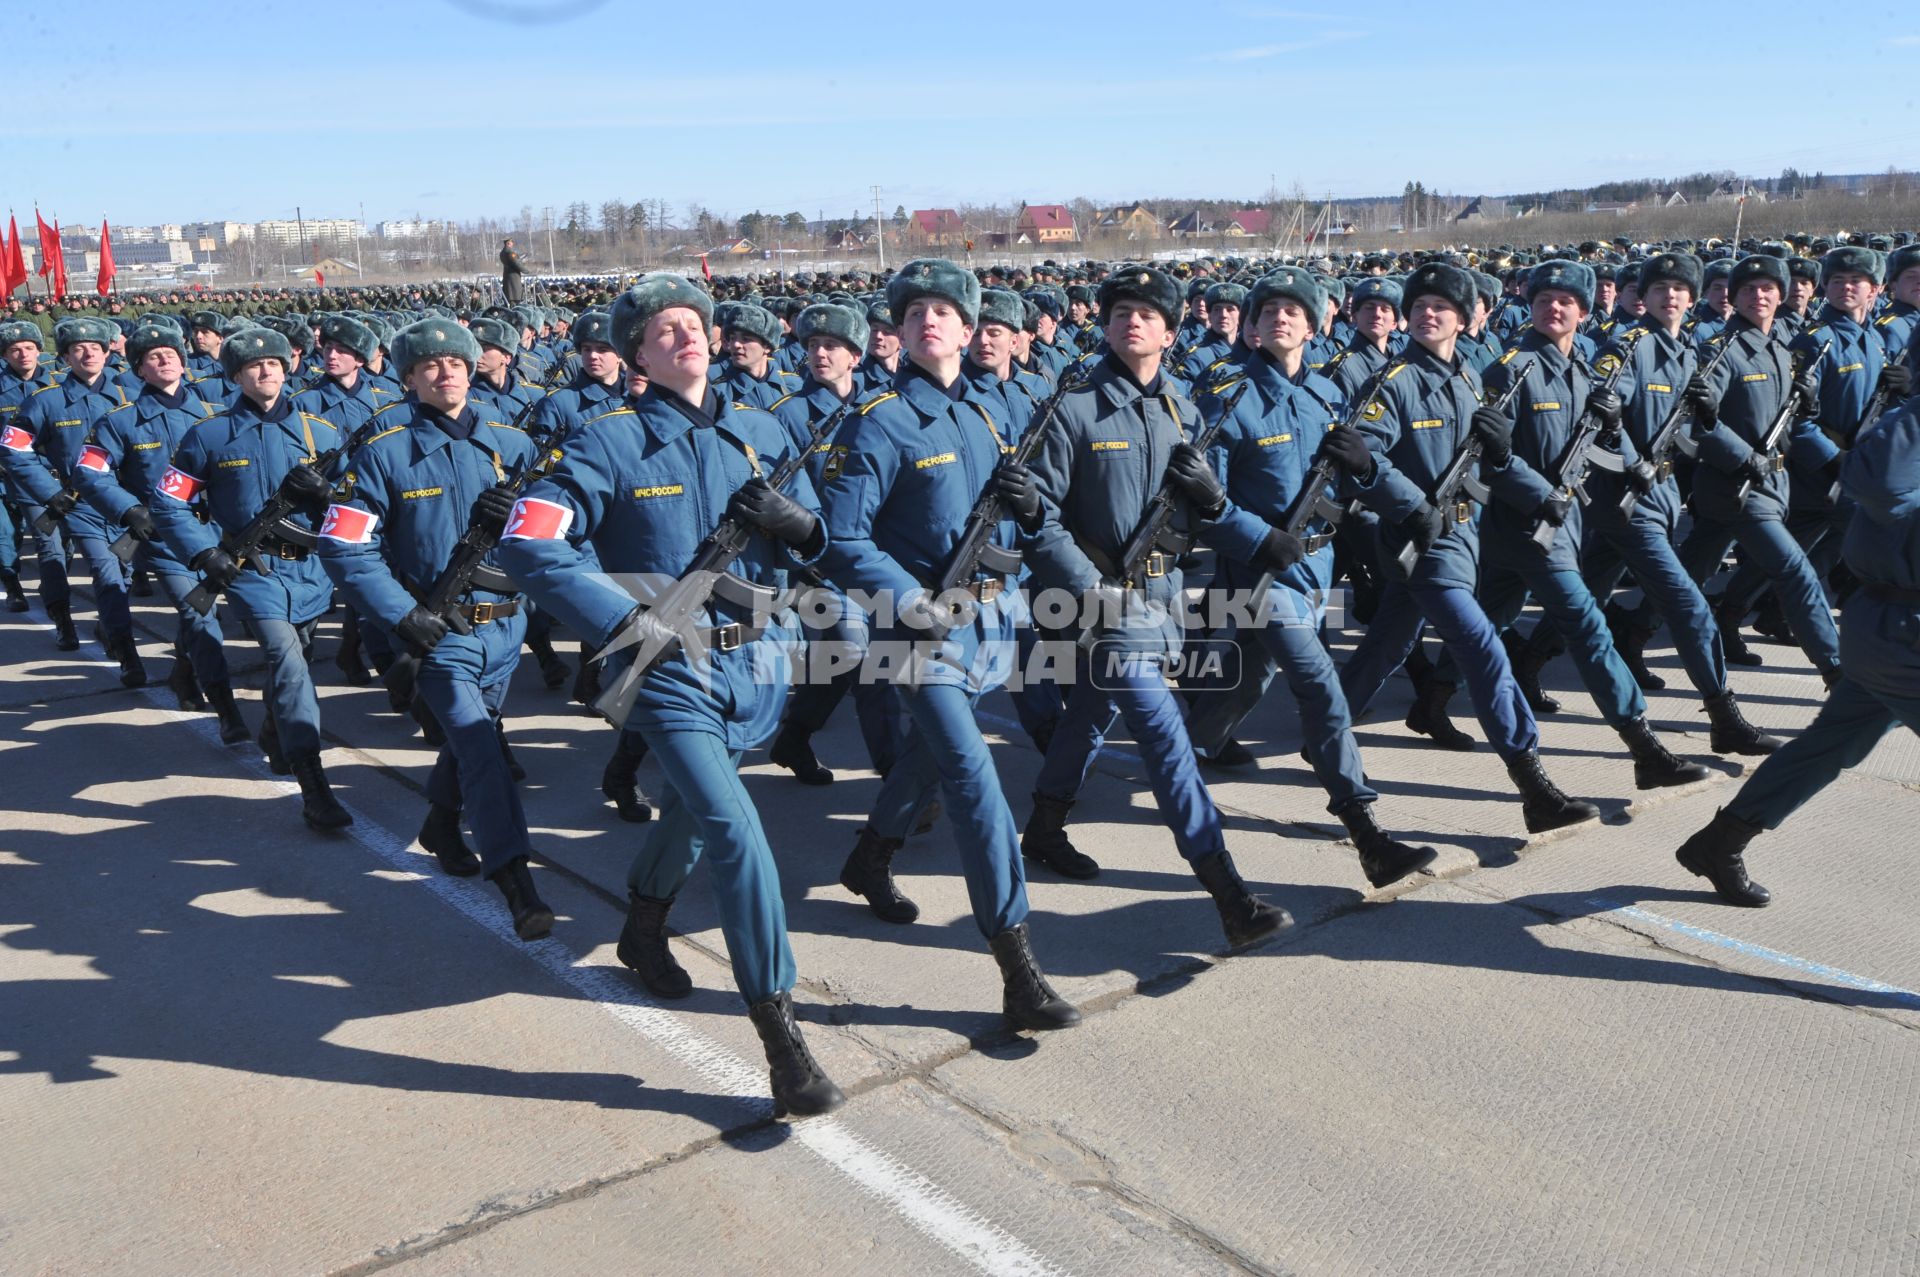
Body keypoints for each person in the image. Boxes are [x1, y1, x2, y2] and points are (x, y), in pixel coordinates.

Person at [498, 274, 845, 1117]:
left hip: (756, 661)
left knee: (695, 812)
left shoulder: (762, 429)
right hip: (668, 670)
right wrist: (630, 623)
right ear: (637, 354)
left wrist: (804, 530)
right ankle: (781, 1033)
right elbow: (528, 541)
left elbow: (820, 537)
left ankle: (641, 922)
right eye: (663, 329)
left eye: (693, 322)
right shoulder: (605, 440)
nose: (684, 335)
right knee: (734, 829)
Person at [817, 257, 1082, 1031]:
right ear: (896, 334)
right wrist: (910, 599)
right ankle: (1018, 967)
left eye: (944, 311)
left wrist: (1042, 529)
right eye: (913, 313)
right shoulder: (880, 421)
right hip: (918, 638)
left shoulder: (989, 417)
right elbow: (840, 538)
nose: (928, 321)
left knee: (930, 759)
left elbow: (1015, 528)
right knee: (975, 783)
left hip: (989, 627)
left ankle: (869, 857)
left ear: (970, 330)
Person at [1184, 267, 1437, 888]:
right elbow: (1201, 499)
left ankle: (1189, 746)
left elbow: (1355, 473)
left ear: (1318, 322)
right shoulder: (1229, 394)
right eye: (1268, 309)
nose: (1281, 316)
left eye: (1294, 309)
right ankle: (1366, 830)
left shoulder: (1325, 394)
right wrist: (1258, 537)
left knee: (1250, 674)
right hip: (1259, 570)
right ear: (1250, 324)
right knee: (1319, 684)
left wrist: (1406, 502)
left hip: (1315, 566)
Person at [1335, 262, 1601, 834]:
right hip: (1420, 542)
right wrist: (1414, 507)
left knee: (1386, 643)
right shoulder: (1394, 382)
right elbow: (1363, 458)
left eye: (1442, 308)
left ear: (1465, 318)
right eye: (1420, 307)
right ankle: (1532, 782)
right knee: (1484, 649)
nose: (1428, 315)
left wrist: (1539, 494)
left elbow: (1486, 466)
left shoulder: (1468, 380)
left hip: (1461, 538)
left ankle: (1323, 729)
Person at [1435, 260, 1711, 790]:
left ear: (1584, 312)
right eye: (1543, 300)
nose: (1553, 308)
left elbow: (1600, 440)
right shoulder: (1511, 369)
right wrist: (1542, 495)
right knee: (1588, 627)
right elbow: (1491, 456)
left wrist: (1625, 451)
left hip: (1560, 523)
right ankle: (1643, 746)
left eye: (1565, 301)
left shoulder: (1582, 367)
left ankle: (1433, 696)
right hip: (1527, 525)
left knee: (1491, 616)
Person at [317, 318, 553, 939]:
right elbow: (344, 548)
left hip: (506, 628)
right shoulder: (383, 452)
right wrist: (402, 616)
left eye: (455, 361)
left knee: (473, 739)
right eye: (429, 366)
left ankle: (441, 823)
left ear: (473, 367)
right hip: (437, 633)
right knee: (482, 749)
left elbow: (556, 537)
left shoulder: (513, 445)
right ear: (407, 378)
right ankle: (515, 880)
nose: (445, 372)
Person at [1672, 379, 1920, 907]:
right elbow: (1873, 483)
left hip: (1890, 631)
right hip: (1902, 632)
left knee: (1830, 745)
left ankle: (1722, 841)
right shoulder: (1907, 427)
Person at [151, 327, 354, 830]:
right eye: (254, 366)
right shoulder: (209, 436)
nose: (266, 371)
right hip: (250, 570)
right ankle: (313, 783)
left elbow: (357, 505)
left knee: (298, 659)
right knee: (287, 663)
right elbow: (169, 502)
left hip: (310, 571)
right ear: (236, 374)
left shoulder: (320, 434)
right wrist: (203, 552)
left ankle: (273, 732)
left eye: (275, 363)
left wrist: (329, 495)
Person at [75, 322, 248, 738]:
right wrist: (129, 510)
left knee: (202, 617)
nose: (165, 358)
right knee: (200, 613)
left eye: (171, 352)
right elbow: (89, 473)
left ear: (185, 364)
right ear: (139, 370)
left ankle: (183, 672)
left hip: (215, 535)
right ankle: (226, 708)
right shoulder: (120, 422)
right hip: (164, 540)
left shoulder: (213, 417)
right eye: (153, 356)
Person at [10, 317, 140, 679]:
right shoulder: (46, 401)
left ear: (107, 352)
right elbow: (15, 448)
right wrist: (50, 491)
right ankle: (113, 644)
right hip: (75, 501)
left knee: (124, 572)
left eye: (95, 347)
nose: (88, 354)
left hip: (123, 503)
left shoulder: (131, 395)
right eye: (78, 349)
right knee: (98, 566)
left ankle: (108, 625)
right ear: (65, 357)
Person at [500, 239, 525, 305]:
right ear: (508, 243)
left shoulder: (502, 253)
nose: (513, 244)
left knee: (509, 300)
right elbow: (516, 263)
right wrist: (526, 271)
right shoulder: (510, 253)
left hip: (507, 278)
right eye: (511, 242)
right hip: (513, 279)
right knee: (515, 300)